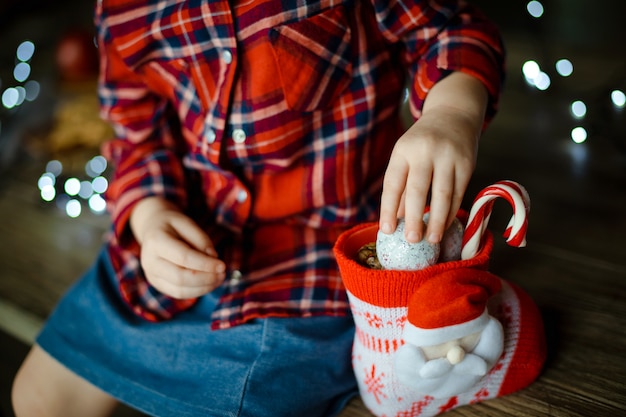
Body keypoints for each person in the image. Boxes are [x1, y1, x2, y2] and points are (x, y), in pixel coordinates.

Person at [12, 0, 505, 416]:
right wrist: (148, 215)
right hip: (183, 240)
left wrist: (451, 112)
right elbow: (137, 128)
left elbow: (451, 28)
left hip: (312, 265)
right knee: (36, 396)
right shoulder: (126, 10)